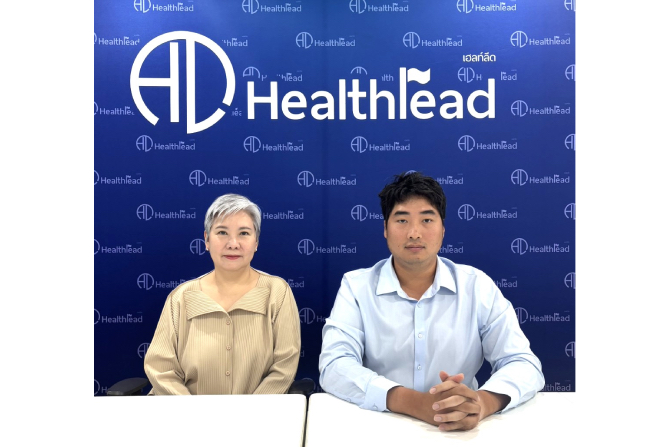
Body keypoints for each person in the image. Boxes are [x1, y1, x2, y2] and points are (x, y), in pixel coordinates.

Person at [318, 172, 544, 431]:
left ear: (443, 229)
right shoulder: (357, 287)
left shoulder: (476, 286)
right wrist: (413, 403)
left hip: (460, 429)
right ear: (385, 229)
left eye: (427, 220)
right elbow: (334, 366)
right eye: (402, 220)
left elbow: (523, 363)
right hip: (379, 424)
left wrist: (480, 404)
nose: (414, 233)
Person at [144, 193, 301, 394]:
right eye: (222, 232)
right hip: (187, 412)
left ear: (256, 242)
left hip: (257, 412)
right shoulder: (181, 298)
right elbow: (161, 369)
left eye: (244, 233)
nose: (233, 243)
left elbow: (284, 368)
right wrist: (193, 411)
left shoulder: (277, 292)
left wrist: (251, 411)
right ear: (207, 240)